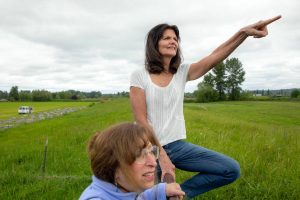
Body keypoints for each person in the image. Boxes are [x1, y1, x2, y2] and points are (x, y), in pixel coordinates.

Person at [130, 15, 281, 199]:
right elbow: (141, 120)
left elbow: (214, 57)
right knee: (144, 196)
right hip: (149, 148)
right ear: (154, 44)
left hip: (177, 146)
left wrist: (243, 33)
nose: (173, 42)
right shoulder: (140, 75)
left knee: (230, 169)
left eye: (175, 39)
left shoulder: (182, 73)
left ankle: (177, 195)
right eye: (167, 38)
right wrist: (161, 155)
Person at [79, 122, 185, 200]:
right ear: (112, 168)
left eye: (151, 151)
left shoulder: (123, 187)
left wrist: (160, 191)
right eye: (138, 155)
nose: (153, 163)